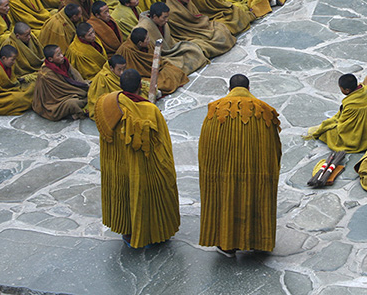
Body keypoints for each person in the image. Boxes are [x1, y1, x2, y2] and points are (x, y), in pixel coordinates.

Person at [96, 68, 180, 249]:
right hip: (143, 165)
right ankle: (153, 235)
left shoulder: (107, 104)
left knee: (125, 194)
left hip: (119, 164)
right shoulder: (149, 110)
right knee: (148, 195)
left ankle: (129, 233)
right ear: (140, 86)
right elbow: (162, 142)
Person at [198, 74, 282, 253]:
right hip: (255, 169)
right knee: (255, 196)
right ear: (249, 89)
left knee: (226, 198)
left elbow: (206, 146)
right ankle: (257, 241)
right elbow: (274, 147)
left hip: (225, 170)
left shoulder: (215, 110)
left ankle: (227, 244)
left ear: (229, 89)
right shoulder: (264, 111)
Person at [305, 73, 367, 153]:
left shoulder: (351, 105)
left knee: (328, 133)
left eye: (341, 89)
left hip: (363, 135)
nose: (341, 90)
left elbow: (344, 126)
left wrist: (330, 124)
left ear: (347, 90)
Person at [33, 44, 89, 121]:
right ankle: (70, 114)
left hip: (70, 90)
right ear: (51, 59)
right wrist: (80, 91)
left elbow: (76, 75)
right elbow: (60, 90)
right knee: (73, 103)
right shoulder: (46, 75)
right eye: (58, 55)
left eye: (61, 53)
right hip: (55, 100)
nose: (62, 56)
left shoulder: (63, 62)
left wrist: (84, 85)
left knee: (92, 86)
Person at [0, 45, 36, 115]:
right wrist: (12, 91)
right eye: (12, 59)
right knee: (18, 98)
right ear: (4, 58)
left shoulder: (8, 65)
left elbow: (12, 80)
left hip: (10, 89)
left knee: (33, 85)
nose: (14, 62)